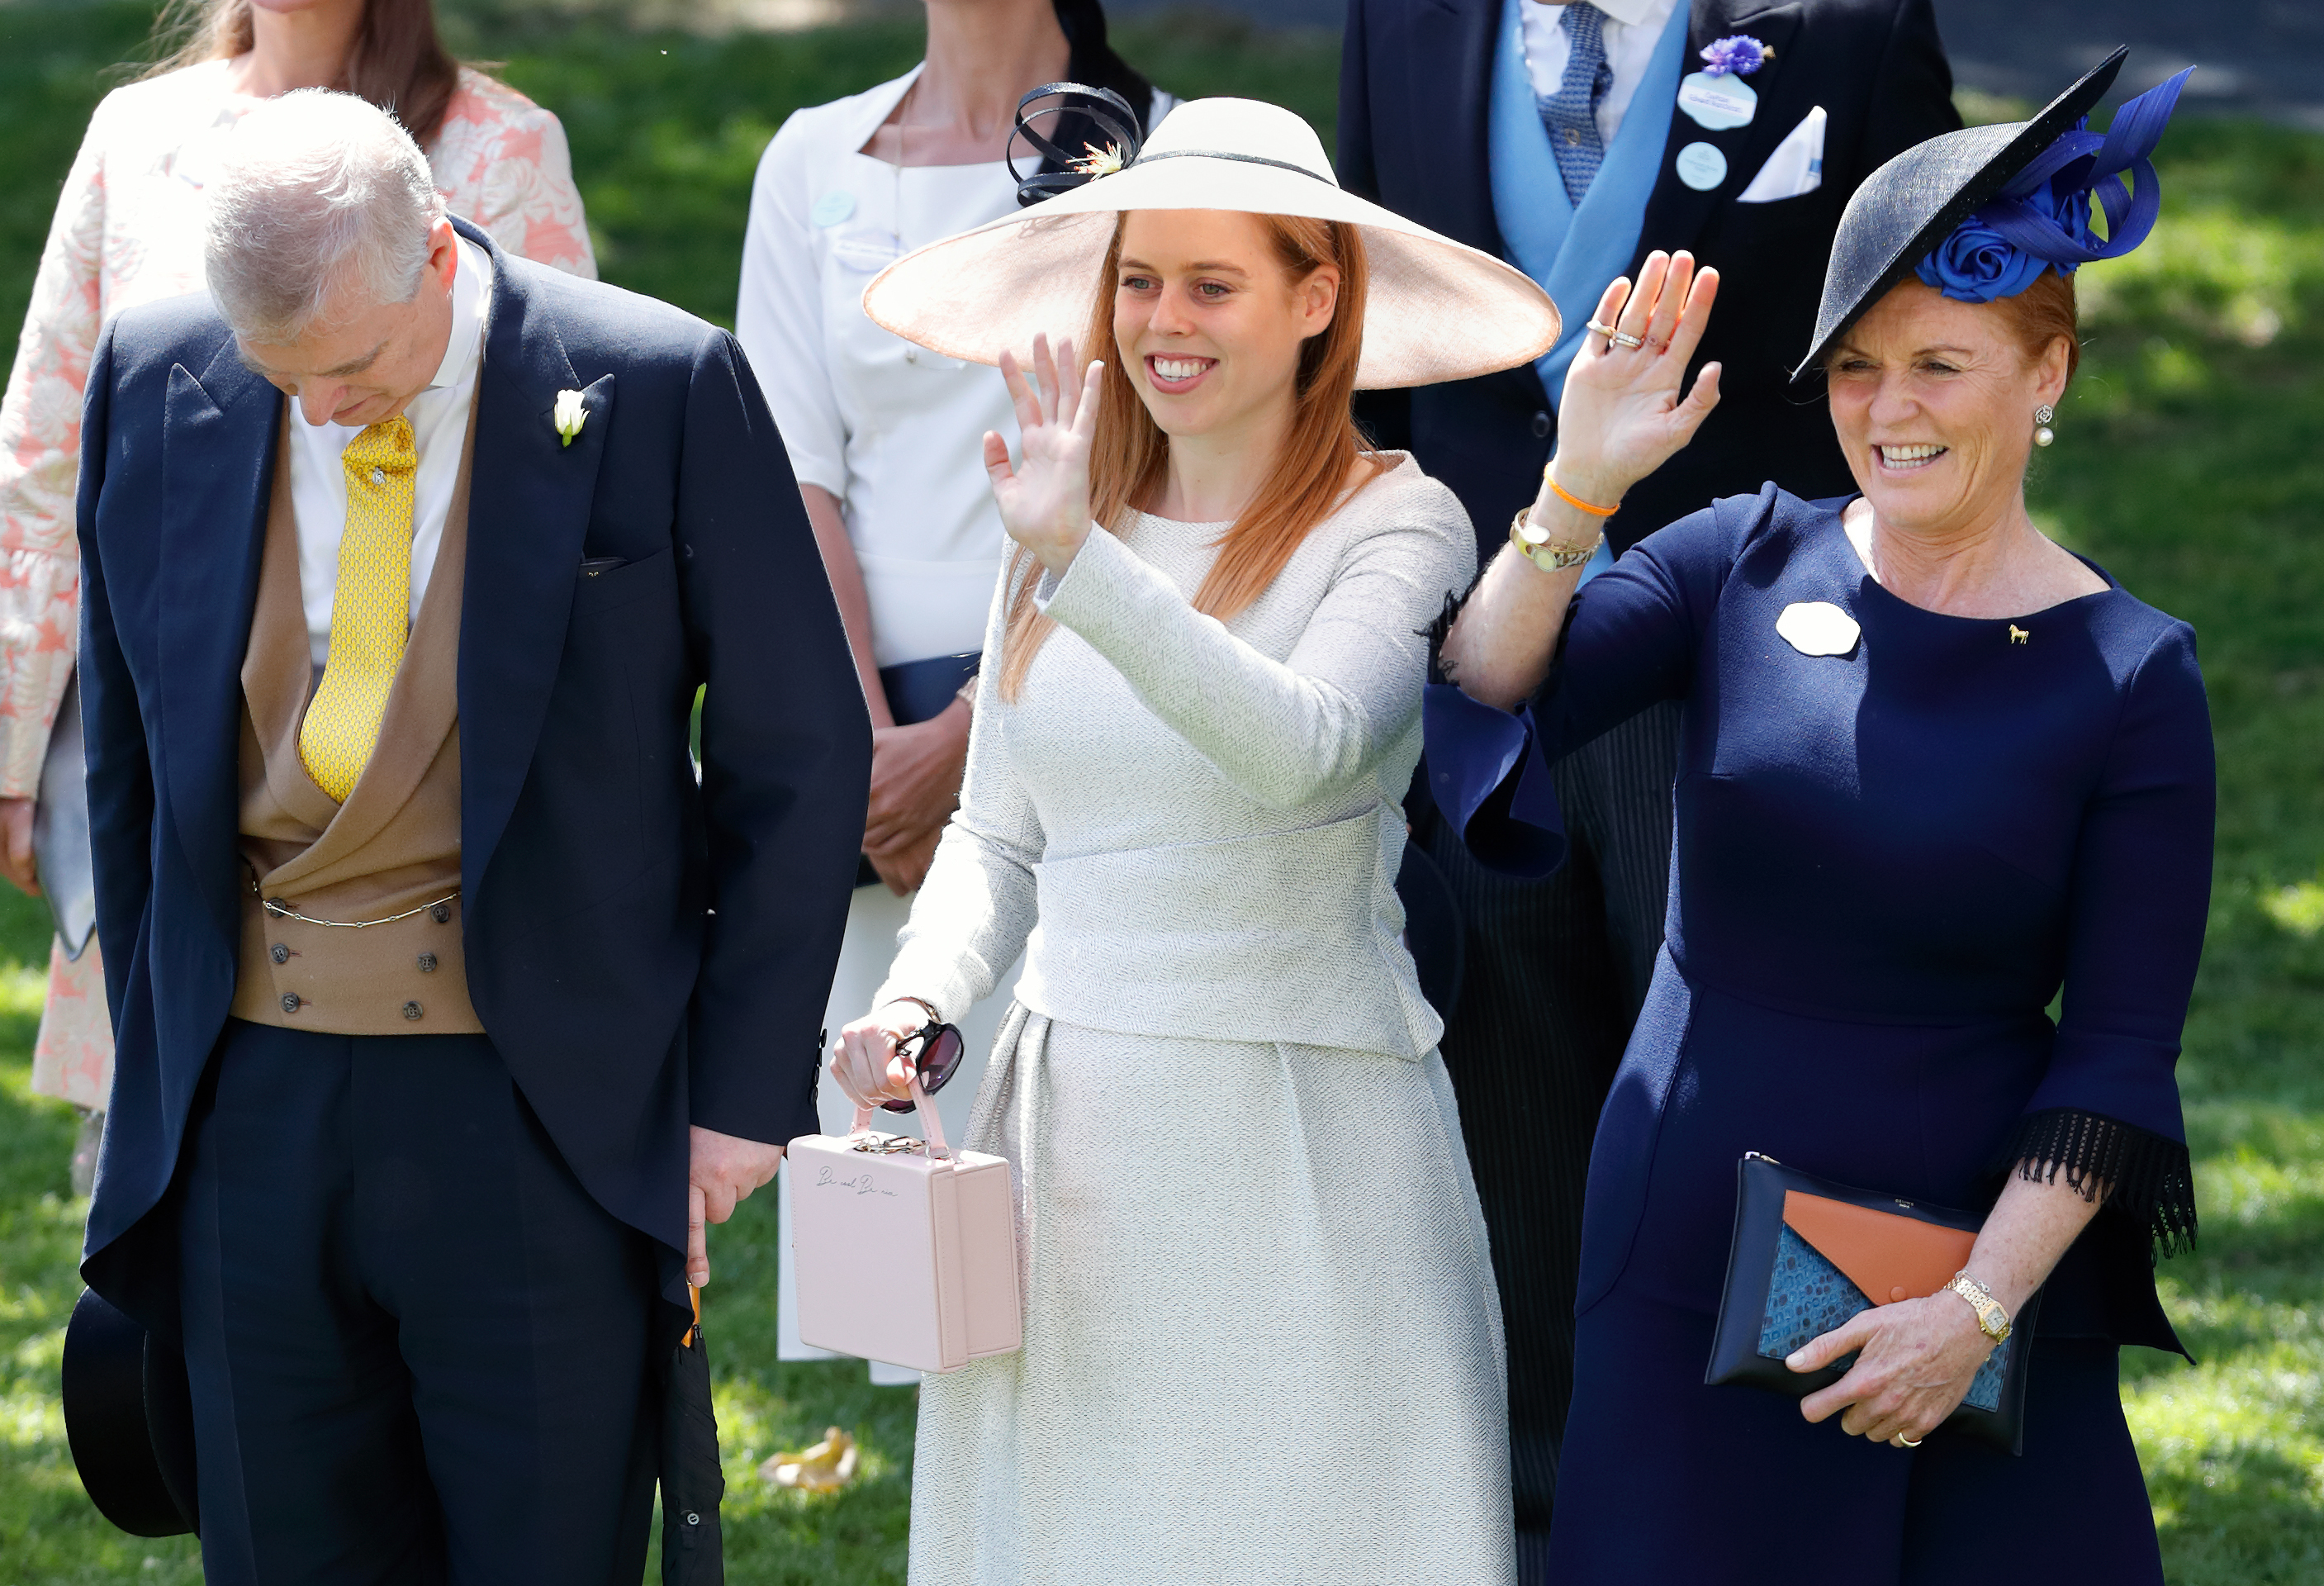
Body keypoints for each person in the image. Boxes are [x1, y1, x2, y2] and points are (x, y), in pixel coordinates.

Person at [1425, 54, 2205, 1580]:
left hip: (1963, 1260)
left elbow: (2114, 1061)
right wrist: (1574, 488)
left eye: (1938, 364)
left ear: (2043, 375)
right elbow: (1489, 689)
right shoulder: (1740, 558)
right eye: (1855, 367)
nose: (1885, 410)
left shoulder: (2133, 674)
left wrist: (1970, 1312)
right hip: (1684, 1229)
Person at [75, 90, 866, 1579]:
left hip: (539, 1103)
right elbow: (132, 761)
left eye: (355, 364)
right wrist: (155, 1065)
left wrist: (739, 1101)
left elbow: (796, 757)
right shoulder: (154, 371)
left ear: (436, 252)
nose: (320, 406)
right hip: (249, 1099)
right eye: (278, 372)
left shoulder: (656, 381)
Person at [830, 96, 1561, 1580]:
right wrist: (917, 998)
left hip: (1304, 1142)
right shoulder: (1063, 507)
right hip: (1065, 1134)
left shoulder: (1395, 522)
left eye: (1211, 284)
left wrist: (1079, 564)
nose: (1163, 321)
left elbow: (1301, 751)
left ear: (1314, 299)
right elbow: (999, 829)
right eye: (1138, 280)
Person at [1337, 0, 1960, 1542]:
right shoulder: (1397, 20)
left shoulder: (1850, 27)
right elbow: (1361, 338)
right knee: (1513, 1131)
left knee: (1769, 1153)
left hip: (1756, 681)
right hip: (1477, 664)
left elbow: (1924, 334)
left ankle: (1805, 1519)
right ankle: (1548, 1522)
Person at [0, 0, 595, 1191]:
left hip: (431, 751)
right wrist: (18, 751)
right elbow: (47, 458)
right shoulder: (139, 134)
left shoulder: (502, 144)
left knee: (425, 1177)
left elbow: (569, 447)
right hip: (187, 730)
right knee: (161, 1168)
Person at [733, 0, 1172, 1382]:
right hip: (865, 751)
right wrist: (867, 750)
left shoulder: (1156, 151)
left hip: (1107, 712)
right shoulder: (810, 156)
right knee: (923, 1255)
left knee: (1102, 1219)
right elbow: (784, 468)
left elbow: (1168, 463)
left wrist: (975, 733)